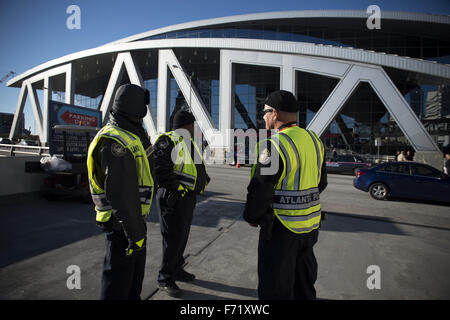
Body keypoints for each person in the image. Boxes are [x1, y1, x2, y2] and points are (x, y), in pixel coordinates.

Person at [243, 90, 328, 300]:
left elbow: (260, 190)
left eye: (265, 112)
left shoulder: (273, 146)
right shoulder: (315, 140)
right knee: (304, 286)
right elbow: (321, 183)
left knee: (275, 289)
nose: (263, 116)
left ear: (275, 113)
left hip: (281, 230)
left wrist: (252, 217)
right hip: (310, 228)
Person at [86, 84, 154, 300]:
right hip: (122, 226)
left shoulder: (129, 136)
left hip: (131, 223)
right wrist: (136, 235)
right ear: (135, 110)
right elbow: (122, 197)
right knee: (118, 286)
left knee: (131, 283)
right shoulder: (115, 141)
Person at [151, 109, 210, 298]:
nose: (194, 128)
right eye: (192, 124)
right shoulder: (167, 140)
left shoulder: (187, 141)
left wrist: (203, 180)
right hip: (174, 199)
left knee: (181, 237)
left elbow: (192, 166)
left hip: (187, 199)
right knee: (172, 240)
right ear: (186, 125)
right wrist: (179, 190)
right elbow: (159, 169)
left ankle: (177, 269)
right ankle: (165, 278)